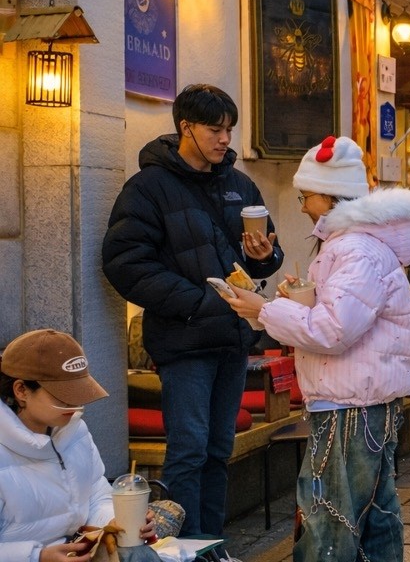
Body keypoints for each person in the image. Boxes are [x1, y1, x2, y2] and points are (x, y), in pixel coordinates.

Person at [225, 136, 410, 562]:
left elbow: (335, 331)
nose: (301, 206)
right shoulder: (358, 245)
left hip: (349, 405)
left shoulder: (355, 249)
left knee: (329, 519)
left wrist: (265, 310)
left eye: (305, 196)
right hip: (359, 399)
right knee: (374, 517)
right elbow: (343, 317)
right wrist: (296, 303)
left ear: (330, 195)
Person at [101, 83, 283, 536]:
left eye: (230, 129)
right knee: (188, 451)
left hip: (234, 339)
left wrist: (264, 257)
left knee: (220, 449)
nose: (225, 139)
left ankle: (210, 543)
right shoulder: (148, 188)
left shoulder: (239, 184)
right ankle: (182, 547)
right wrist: (201, 302)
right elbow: (125, 264)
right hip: (184, 342)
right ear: (186, 126)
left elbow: (267, 257)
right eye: (215, 129)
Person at [0, 329, 156, 561]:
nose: (74, 404)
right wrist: (36, 556)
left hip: (78, 550)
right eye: (62, 396)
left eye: (78, 391)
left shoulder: (75, 431)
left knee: (139, 551)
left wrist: (119, 522)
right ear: (21, 390)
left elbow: (96, 496)